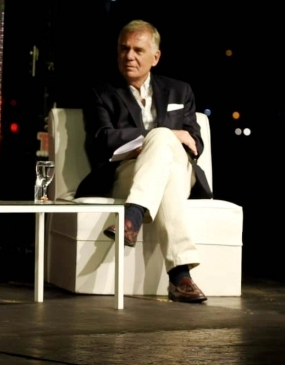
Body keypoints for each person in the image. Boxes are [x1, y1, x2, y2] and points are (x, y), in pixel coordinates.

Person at [78, 19, 212, 303]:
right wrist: (161, 138)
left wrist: (158, 139)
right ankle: (180, 275)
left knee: (167, 153)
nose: (129, 56)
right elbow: (103, 140)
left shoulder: (180, 90)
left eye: (138, 50)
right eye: (124, 49)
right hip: (128, 172)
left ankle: (133, 216)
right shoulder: (102, 93)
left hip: (179, 167)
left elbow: (195, 144)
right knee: (166, 161)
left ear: (156, 57)